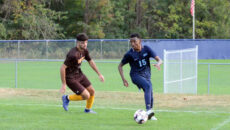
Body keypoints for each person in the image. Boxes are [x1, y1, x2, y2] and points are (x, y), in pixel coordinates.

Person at [118, 33, 162, 120]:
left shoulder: (146, 49)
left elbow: (160, 59)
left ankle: (150, 115)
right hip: (135, 76)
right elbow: (119, 66)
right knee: (148, 86)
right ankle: (148, 110)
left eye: (134, 41)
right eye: (131, 42)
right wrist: (123, 79)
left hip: (146, 76)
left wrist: (158, 63)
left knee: (150, 93)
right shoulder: (129, 54)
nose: (133, 44)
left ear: (140, 41)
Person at [60, 33, 104, 113]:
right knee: (86, 95)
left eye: (86, 42)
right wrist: (63, 84)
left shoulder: (85, 51)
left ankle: (87, 110)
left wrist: (99, 74)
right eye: (83, 43)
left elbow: (90, 62)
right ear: (77, 43)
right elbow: (62, 68)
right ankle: (67, 98)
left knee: (92, 91)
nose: (85, 44)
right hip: (70, 78)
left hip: (79, 74)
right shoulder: (72, 54)